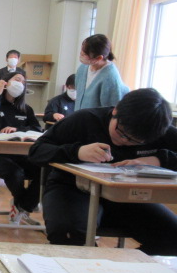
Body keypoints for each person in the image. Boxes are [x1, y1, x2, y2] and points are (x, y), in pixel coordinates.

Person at [29, 88, 177, 255]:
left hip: (127, 197)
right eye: (121, 133)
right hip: (72, 189)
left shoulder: (156, 128)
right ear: (115, 111)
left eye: (135, 141)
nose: (124, 141)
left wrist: (159, 160)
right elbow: (36, 151)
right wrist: (77, 152)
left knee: (172, 238)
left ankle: (121, 265)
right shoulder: (85, 119)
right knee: (68, 232)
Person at [0, 72, 42, 224]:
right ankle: (24, 204)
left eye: (23, 81)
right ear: (6, 82)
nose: (20, 83)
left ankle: (23, 205)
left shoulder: (26, 109)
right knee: (15, 172)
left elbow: (37, 129)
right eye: (17, 79)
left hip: (23, 156)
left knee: (45, 171)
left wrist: (18, 129)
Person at [75, 34, 129, 110]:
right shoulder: (82, 68)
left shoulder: (110, 77)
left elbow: (111, 110)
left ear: (99, 58)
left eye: (85, 55)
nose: (81, 56)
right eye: (81, 52)